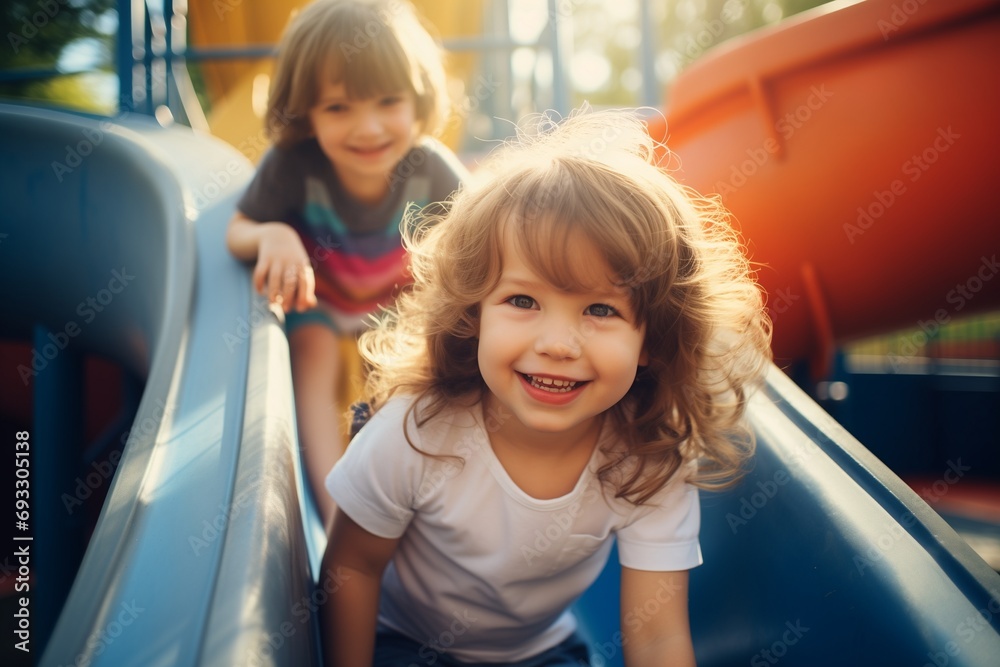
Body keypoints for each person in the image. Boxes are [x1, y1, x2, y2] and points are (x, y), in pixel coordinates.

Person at [320, 108, 772, 667]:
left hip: (539, 653)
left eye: (601, 309)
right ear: (473, 314)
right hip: (402, 643)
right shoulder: (417, 433)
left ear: (652, 338)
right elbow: (352, 568)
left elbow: (656, 637)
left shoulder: (647, 464)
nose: (558, 343)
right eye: (523, 301)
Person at [226, 0, 468, 530]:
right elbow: (237, 229)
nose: (369, 127)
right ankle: (335, 515)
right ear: (304, 111)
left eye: (388, 101)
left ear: (418, 97)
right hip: (320, 299)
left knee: (408, 372)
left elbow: (477, 241)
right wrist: (274, 232)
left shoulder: (430, 170)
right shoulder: (293, 165)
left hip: (394, 305)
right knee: (311, 354)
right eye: (339, 108)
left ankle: (412, 505)